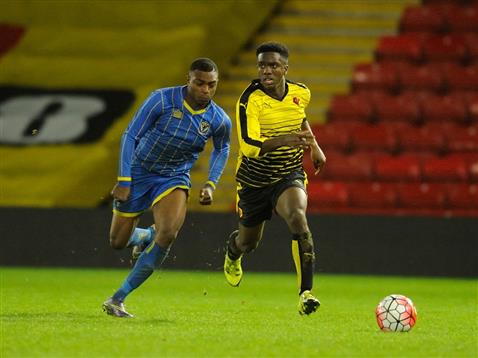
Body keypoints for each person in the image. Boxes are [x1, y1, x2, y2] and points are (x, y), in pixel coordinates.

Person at [102, 58, 231, 318]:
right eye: (200, 83)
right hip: (139, 172)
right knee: (118, 241)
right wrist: (124, 179)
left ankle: (118, 298)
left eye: (211, 85)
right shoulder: (161, 100)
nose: (206, 90)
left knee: (168, 233)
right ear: (189, 79)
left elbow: (222, 148)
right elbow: (131, 135)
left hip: (174, 177)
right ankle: (144, 236)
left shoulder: (218, 119)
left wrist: (210, 183)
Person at [223, 42, 326, 315]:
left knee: (297, 216)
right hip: (254, 182)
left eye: (273, 65)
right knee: (249, 243)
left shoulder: (301, 93)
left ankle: (306, 293)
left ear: (285, 68)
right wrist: (287, 139)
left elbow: (300, 118)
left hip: (287, 174)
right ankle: (233, 253)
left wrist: (314, 145)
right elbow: (249, 146)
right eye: (262, 65)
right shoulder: (249, 100)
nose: (266, 70)